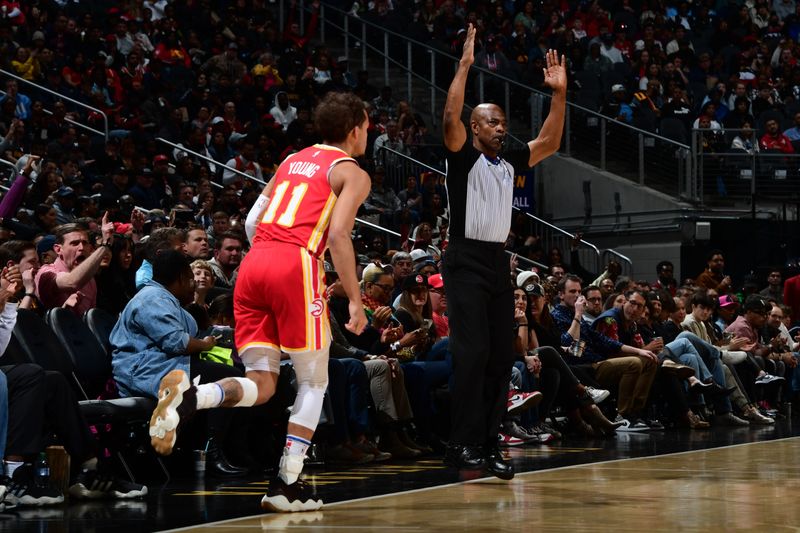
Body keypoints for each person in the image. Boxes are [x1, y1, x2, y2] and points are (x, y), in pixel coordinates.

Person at [147, 92, 371, 513]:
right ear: (355, 128)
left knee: (265, 384)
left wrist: (268, 261)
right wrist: (354, 300)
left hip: (254, 265)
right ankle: (287, 482)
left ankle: (193, 399)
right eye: (367, 126)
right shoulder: (351, 171)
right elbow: (339, 235)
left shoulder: (292, 160)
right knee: (314, 382)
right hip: (295, 263)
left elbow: (250, 221)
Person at [440, 24, 566, 480]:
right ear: (475, 127)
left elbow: (550, 141)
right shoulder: (461, 155)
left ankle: (490, 442)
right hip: (464, 259)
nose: (501, 128)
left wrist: (558, 95)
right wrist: (465, 65)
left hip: (497, 261)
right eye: (492, 122)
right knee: (471, 354)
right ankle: (461, 444)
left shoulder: (509, 161)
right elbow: (450, 115)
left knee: (499, 357)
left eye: (503, 123)